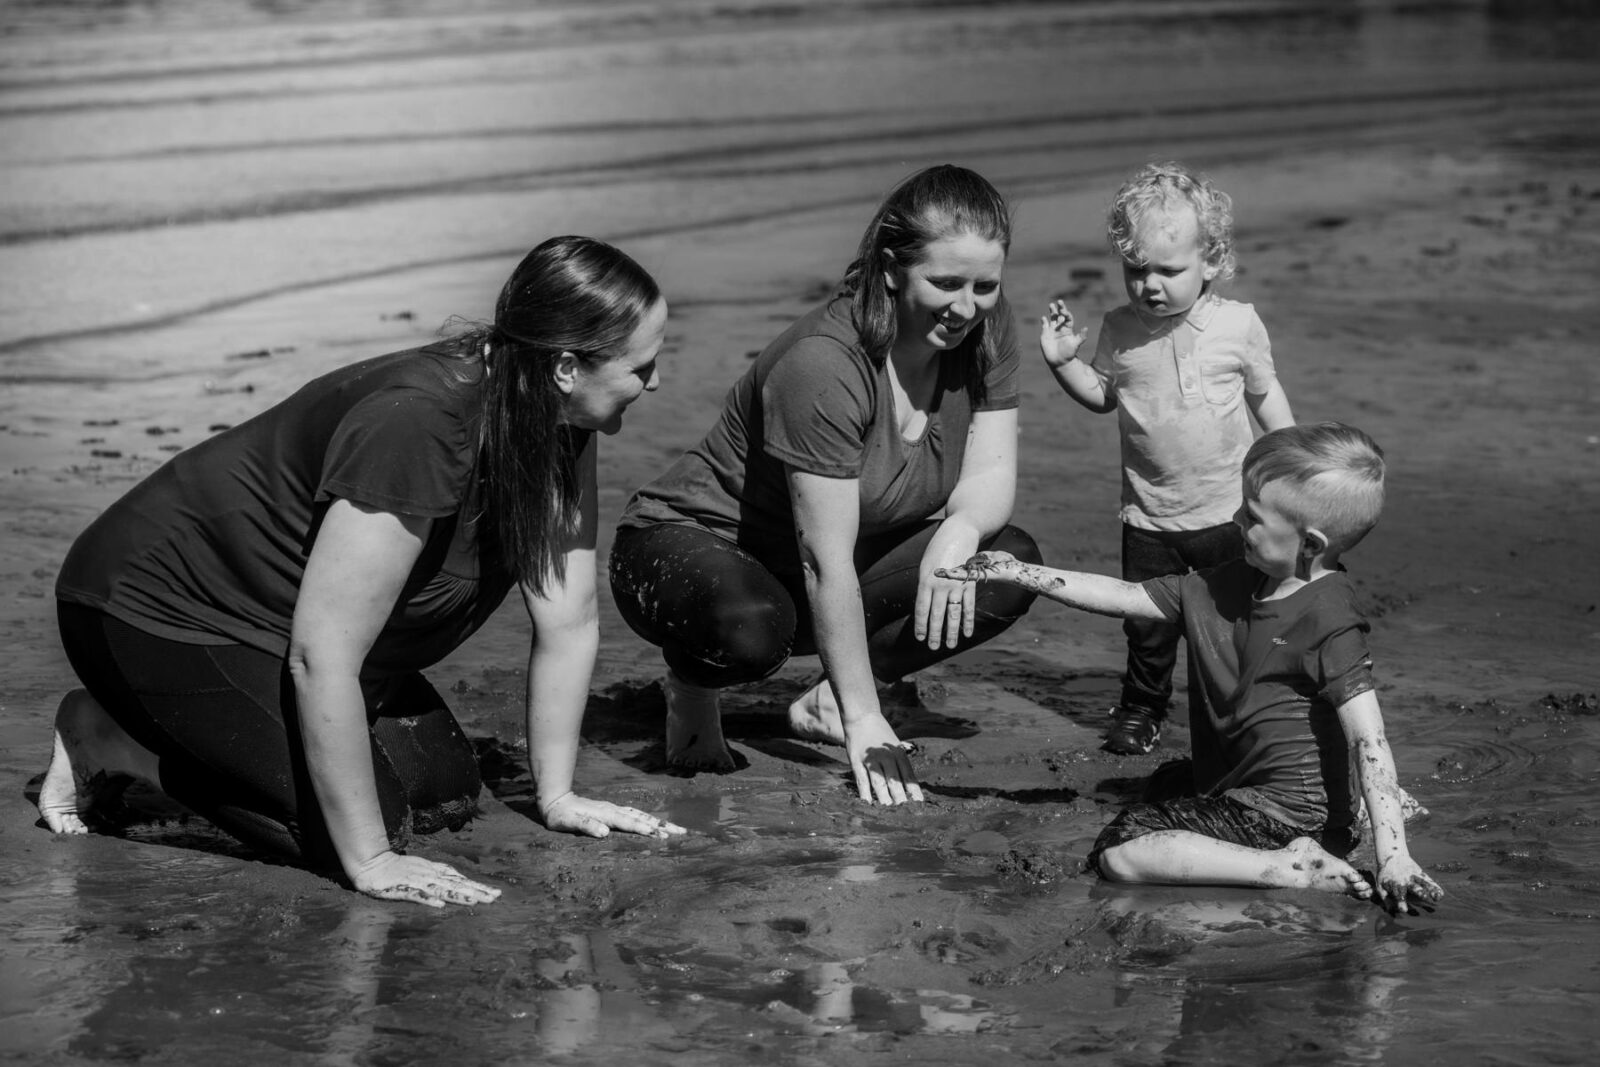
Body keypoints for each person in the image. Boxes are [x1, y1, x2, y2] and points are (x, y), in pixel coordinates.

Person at [38, 235, 686, 908]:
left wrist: (557, 794)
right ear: (564, 366)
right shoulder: (418, 424)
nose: (657, 380)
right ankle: (114, 739)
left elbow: (569, 616)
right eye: (643, 365)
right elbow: (323, 657)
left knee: (445, 788)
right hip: (154, 610)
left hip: (279, 631)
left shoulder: (556, 415)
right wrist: (372, 860)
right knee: (358, 833)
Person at [608, 164, 1041, 805]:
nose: (966, 306)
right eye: (945, 283)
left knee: (1006, 567)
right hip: (693, 551)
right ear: (892, 268)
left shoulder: (985, 327)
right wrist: (871, 723)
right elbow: (822, 558)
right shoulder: (826, 363)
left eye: (984, 285)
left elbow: (993, 472)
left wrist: (960, 531)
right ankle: (692, 687)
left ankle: (826, 702)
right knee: (755, 628)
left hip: (818, 571)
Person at [939, 423, 1443, 915]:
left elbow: (1368, 740)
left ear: (1309, 544)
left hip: (1287, 814)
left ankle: (1293, 868)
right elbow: (1128, 596)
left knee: (1122, 847)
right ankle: (1331, 827)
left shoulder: (1330, 619)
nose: (1234, 520)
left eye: (1252, 515)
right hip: (1240, 786)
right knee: (1164, 783)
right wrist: (1020, 572)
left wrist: (1394, 854)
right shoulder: (1231, 581)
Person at [1039, 161, 1295, 756]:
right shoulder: (1120, 329)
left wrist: (1289, 459)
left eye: (1169, 271)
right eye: (1136, 270)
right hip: (1148, 517)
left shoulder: (1237, 324)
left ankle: (1237, 706)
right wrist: (1062, 364)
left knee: (1233, 619)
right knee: (1148, 627)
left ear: (1211, 262)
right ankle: (1142, 708)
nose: (1149, 285)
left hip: (1226, 511)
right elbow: (1105, 396)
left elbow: (1264, 395)